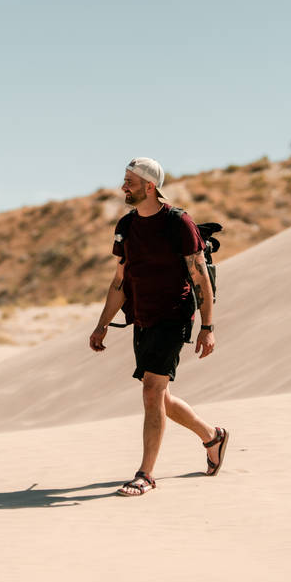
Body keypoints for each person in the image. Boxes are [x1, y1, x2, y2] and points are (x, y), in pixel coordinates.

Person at [89, 157, 229, 497]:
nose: (123, 186)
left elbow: (200, 278)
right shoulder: (127, 226)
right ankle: (213, 435)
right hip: (144, 317)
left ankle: (145, 475)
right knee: (160, 397)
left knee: (151, 390)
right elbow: (119, 281)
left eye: (130, 181)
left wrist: (207, 327)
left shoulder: (178, 222)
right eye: (124, 179)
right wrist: (101, 325)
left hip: (174, 315)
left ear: (150, 187)